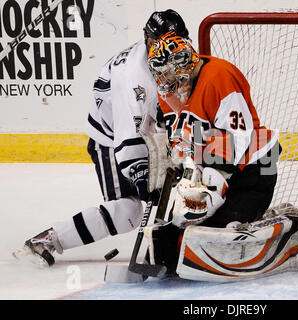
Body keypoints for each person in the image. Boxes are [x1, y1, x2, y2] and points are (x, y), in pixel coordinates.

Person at [13, 10, 190, 267]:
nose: (168, 50)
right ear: (148, 40)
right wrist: (141, 175)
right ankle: (47, 240)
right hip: (111, 138)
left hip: (147, 130)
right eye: (161, 43)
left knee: (170, 184)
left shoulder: (167, 59)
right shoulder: (134, 79)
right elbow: (129, 137)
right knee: (129, 211)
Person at [145, 32, 283, 274]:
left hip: (258, 164)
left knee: (220, 229)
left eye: (166, 72)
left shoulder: (219, 77)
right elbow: (182, 140)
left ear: (183, 64)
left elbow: (238, 140)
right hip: (214, 164)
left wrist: (209, 194)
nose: (163, 80)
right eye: (159, 74)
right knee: (178, 231)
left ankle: (284, 231)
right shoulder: (169, 91)